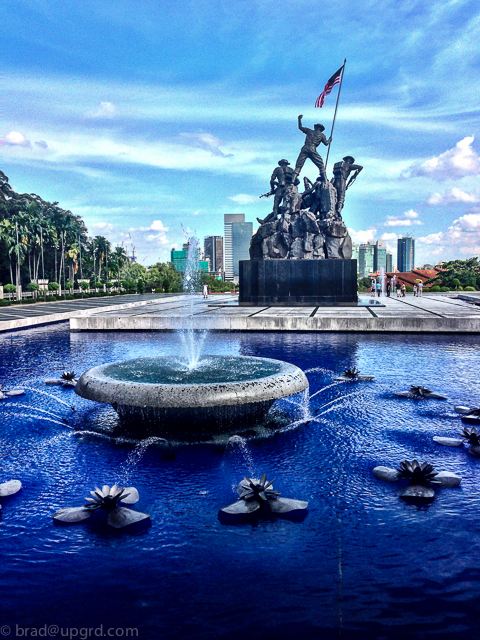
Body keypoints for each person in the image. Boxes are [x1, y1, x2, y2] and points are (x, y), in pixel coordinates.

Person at [257, 159, 295, 225]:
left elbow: (272, 181)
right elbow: (297, 181)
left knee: (276, 204)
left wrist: (272, 189)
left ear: (280, 164)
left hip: (280, 187)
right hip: (289, 188)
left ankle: (275, 216)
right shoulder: (291, 170)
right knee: (287, 204)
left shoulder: (277, 169)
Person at [293, 115, 331, 180]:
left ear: (315, 127)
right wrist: (330, 140)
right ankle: (325, 180)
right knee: (321, 164)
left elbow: (300, 127)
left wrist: (299, 119)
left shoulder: (309, 131)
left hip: (305, 147)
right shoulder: (322, 135)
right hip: (312, 148)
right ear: (321, 129)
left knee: (298, 165)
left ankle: (292, 181)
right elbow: (326, 143)